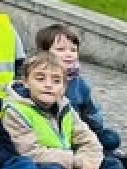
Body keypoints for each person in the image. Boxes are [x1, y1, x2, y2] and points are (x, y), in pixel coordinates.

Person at [2, 52, 125, 169]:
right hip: (42, 164)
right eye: (40, 79)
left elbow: (88, 139)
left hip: (70, 164)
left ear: (64, 87)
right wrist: (75, 163)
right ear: (26, 82)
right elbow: (30, 152)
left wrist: (87, 162)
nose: (48, 85)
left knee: (115, 167)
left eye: (56, 81)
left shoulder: (65, 106)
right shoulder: (15, 110)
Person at [34, 23, 123, 159]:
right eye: (61, 49)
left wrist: (93, 132)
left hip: (79, 131)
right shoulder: (38, 80)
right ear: (45, 53)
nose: (69, 54)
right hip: (53, 137)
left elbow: (91, 114)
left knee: (111, 138)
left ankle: (100, 155)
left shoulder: (79, 82)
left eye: (73, 50)